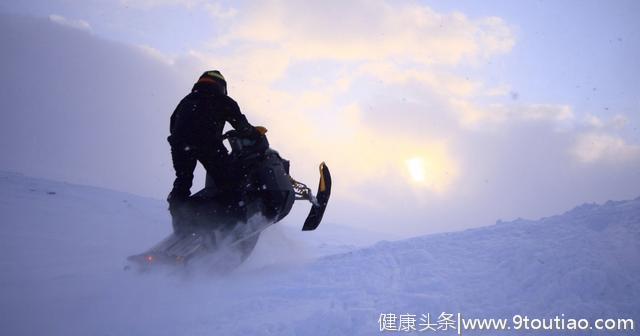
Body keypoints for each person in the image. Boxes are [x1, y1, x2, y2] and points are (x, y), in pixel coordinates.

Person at [167, 70, 258, 206]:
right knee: (229, 181)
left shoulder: (186, 100)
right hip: (206, 142)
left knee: (183, 180)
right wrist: (254, 133)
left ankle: (180, 215)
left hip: (179, 143)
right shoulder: (222, 100)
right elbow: (241, 125)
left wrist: (184, 138)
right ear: (222, 86)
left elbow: (173, 123)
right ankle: (233, 218)